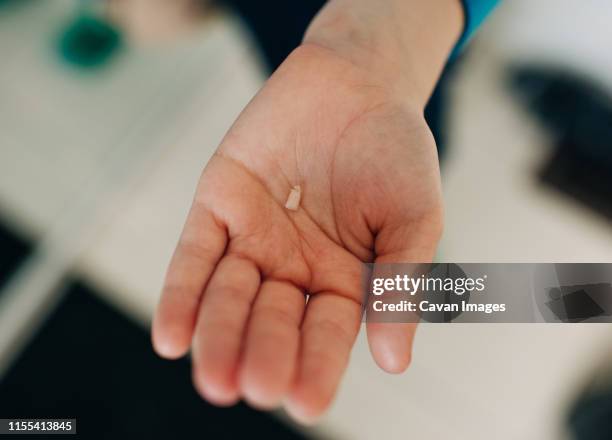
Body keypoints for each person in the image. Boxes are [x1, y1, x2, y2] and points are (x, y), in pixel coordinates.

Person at [152, 0, 499, 424]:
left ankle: (397, 219)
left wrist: (380, 45)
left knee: (414, 134)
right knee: (293, 68)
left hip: (407, 36)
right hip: (291, 32)